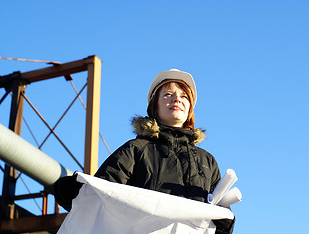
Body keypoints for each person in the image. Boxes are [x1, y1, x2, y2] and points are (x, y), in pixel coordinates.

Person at [54, 69, 235, 233]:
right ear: (154, 107)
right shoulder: (136, 149)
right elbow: (105, 191)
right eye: (168, 94)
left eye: (184, 96)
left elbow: (221, 223)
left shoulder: (207, 161)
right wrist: (76, 190)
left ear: (189, 111)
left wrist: (226, 217)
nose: (177, 99)